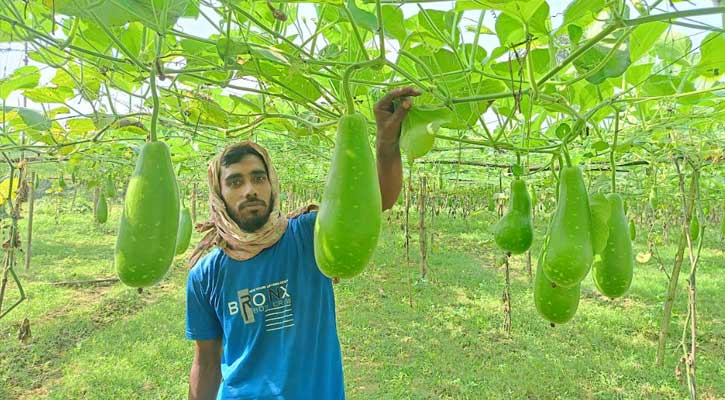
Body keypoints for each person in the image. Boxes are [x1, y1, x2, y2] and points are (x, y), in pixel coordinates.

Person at [186, 87, 422, 400]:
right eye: (235, 181)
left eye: (258, 178)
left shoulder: (308, 234)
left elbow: (377, 200)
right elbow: (207, 360)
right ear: (219, 193)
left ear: (272, 183)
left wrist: (387, 143)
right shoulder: (205, 274)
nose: (249, 190)